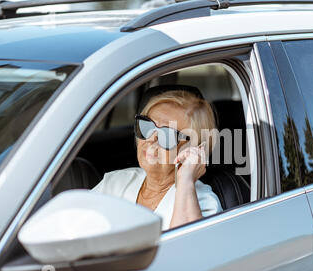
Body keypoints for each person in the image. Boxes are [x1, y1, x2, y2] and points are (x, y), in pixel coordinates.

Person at [92, 88, 222, 230]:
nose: (151, 139)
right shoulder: (115, 182)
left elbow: (187, 249)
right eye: (147, 126)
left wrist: (185, 179)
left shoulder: (202, 202)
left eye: (167, 134)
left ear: (193, 148)